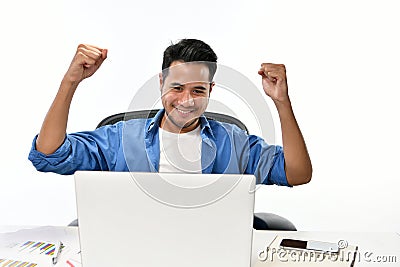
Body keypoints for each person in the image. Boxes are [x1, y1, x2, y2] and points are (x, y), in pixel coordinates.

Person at [28, 39, 312, 186]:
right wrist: (70, 82)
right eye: (177, 88)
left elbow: (297, 173)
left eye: (198, 91)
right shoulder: (122, 139)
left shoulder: (232, 142)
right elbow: (49, 155)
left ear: (210, 90)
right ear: (161, 82)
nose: (187, 101)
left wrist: (281, 102)